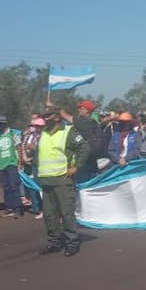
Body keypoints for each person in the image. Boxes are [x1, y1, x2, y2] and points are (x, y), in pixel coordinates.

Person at [36, 106, 89, 257]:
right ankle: (54, 242)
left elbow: (84, 148)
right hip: (46, 181)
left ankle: (72, 242)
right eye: (44, 116)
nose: (46, 118)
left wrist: (76, 167)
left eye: (49, 115)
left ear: (57, 117)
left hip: (62, 180)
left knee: (66, 213)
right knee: (49, 215)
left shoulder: (68, 132)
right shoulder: (43, 134)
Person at [62, 100, 101, 183]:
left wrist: (53, 107)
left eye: (81, 108)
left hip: (83, 162)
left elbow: (64, 115)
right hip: (93, 160)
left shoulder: (82, 122)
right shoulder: (95, 123)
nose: (79, 110)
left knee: (82, 186)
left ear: (87, 110)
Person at [0, 116, 24, 218]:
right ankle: (9, 207)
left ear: (5, 124)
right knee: (5, 187)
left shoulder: (13, 134)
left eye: (0, 124)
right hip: (1, 165)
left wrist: (20, 162)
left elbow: (19, 147)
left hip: (12, 163)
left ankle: (18, 208)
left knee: (14, 185)